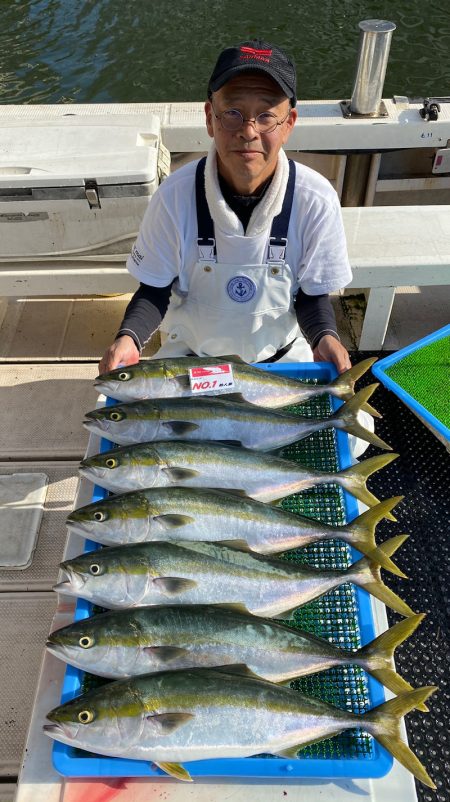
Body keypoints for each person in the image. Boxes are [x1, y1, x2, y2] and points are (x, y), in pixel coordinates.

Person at [99, 39, 354, 375]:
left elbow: (312, 295)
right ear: (209, 117)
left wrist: (325, 337)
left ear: (289, 123)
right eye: (232, 113)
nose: (248, 131)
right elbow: (154, 288)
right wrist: (129, 338)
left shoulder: (315, 199)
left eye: (266, 116)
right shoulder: (173, 196)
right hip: (192, 365)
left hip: (281, 367)